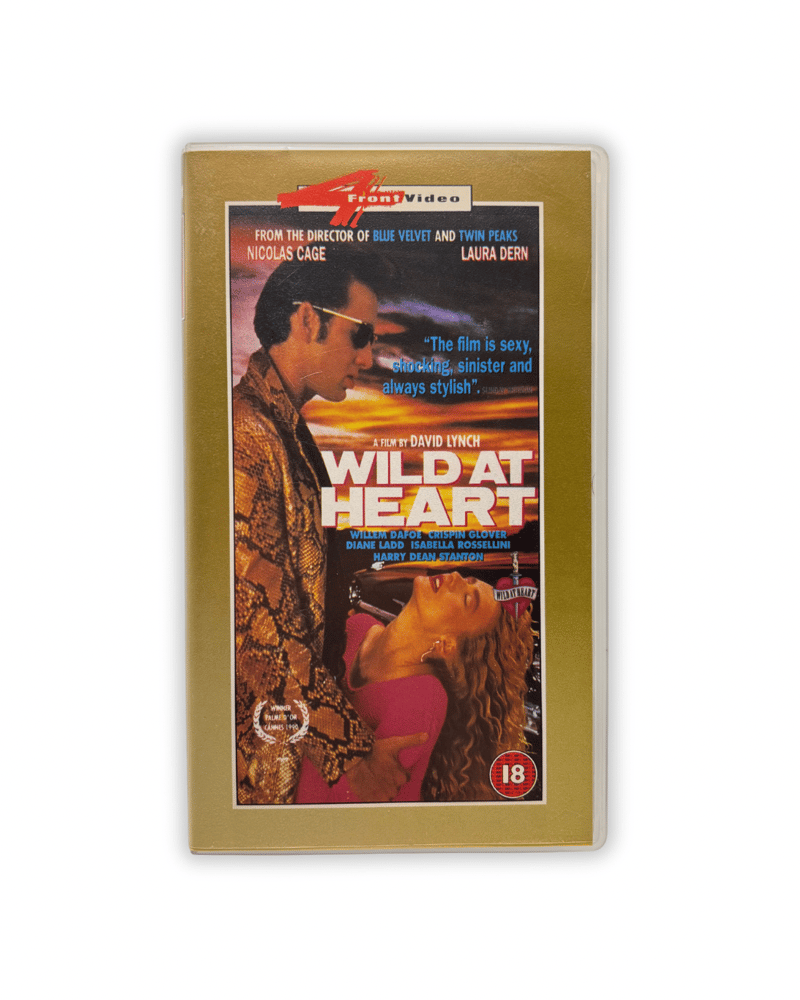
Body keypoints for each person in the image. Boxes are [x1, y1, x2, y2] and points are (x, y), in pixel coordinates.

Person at [233, 248, 426, 805]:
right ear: (306, 319)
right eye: (359, 334)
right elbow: (262, 625)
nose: (367, 357)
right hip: (265, 772)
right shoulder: (249, 438)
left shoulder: (281, 431)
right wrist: (353, 757)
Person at [295, 572, 534, 803]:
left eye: (467, 598)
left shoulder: (420, 701)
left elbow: (319, 805)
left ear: (447, 646)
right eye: (468, 580)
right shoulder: (358, 627)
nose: (456, 578)